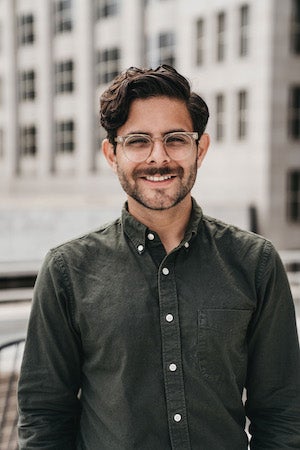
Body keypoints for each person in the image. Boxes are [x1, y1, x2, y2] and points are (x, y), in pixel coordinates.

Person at [18, 65, 300, 449]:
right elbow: (44, 416)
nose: (158, 157)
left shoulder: (255, 263)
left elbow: (283, 412)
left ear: (200, 149)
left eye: (175, 139)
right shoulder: (67, 270)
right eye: (138, 141)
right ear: (111, 154)